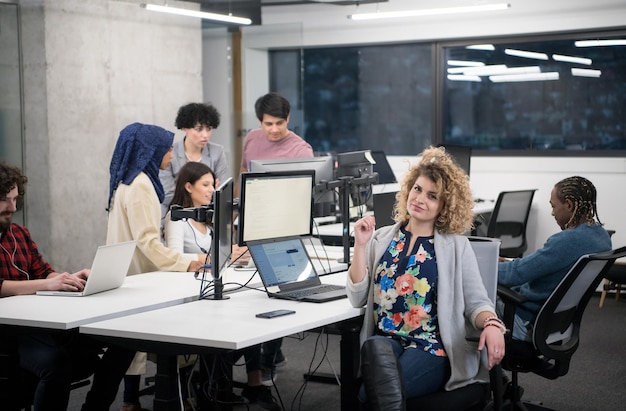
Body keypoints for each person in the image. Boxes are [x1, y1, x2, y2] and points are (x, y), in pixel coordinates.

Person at [346, 146, 505, 409]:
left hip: (432, 347)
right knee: (375, 350)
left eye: (432, 196)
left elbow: (477, 302)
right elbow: (357, 297)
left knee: (373, 393)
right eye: (417, 189)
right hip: (387, 342)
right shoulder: (382, 238)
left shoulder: (456, 246)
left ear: (445, 206)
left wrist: (491, 324)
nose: (420, 199)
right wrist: (360, 246)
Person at [0, 161, 135, 411]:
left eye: (16, 199)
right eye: (5, 200)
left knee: (125, 339)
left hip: (39, 323)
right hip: (10, 333)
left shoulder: (19, 233)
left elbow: (43, 271)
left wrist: (69, 278)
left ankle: (95, 408)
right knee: (56, 363)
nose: (12, 207)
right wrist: (49, 283)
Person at [164, 161, 280, 410]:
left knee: (252, 317)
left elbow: (220, 253)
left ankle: (241, 382)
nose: (210, 190)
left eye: (213, 185)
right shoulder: (177, 218)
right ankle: (216, 382)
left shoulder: (208, 218)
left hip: (208, 288)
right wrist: (208, 259)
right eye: (205, 185)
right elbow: (171, 258)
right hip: (186, 293)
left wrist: (235, 253)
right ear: (188, 186)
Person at [106, 122, 205, 411]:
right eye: (166, 149)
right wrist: (188, 262)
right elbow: (149, 243)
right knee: (151, 343)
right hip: (140, 276)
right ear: (150, 151)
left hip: (130, 272)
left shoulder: (129, 179)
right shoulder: (140, 186)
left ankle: (129, 402)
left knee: (128, 348)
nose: (172, 155)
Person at [239, 92, 314, 384]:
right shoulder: (252, 139)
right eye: (268, 123)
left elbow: (303, 198)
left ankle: (267, 361)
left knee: (277, 291)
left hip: (284, 228)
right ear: (259, 121)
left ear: (288, 119)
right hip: (255, 223)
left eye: (279, 123)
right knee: (252, 293)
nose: (273, 129)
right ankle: (264, 355)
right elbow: (245, 175)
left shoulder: (300, 149)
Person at [497, 175, 612, 342]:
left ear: (569, 205)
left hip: (524, 322)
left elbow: (514, 275)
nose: (552, 213)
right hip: (555, 325)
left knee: (468, 290)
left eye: (553, 206)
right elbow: (534, 266)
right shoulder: (601, 237)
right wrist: (508, 263)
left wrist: (479, 265)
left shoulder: (567, 241)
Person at [160, 102, 229, 218]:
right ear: (184, 128)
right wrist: (206, 191)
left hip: (209, 215)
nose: (205, 135)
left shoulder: (217, 152)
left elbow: (223, 192)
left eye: (209, 129)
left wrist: (183, 188)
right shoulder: (170, 154)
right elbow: (166, 194)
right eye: (199, 129)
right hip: (175, 215)